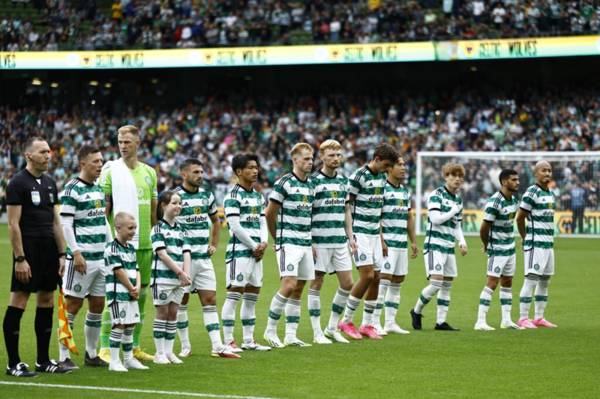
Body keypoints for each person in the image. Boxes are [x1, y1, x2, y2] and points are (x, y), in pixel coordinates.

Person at [3, 136, 70, 376]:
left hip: (49, 250)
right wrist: (20, 258)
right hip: (28, 250)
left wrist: (62, 254)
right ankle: (13, 364)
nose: (48, 155)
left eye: (49, 151)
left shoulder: (51, 183)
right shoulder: (17, 183)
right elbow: (13, 224)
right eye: (42, 151)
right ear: (29, 155)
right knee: (19, 301)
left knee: (46, 301)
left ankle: (43, 360)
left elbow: (55, 222)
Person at [99, 125, 158, 363]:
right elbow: (105, 207)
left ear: (138, 143)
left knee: (141, 297)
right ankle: (105, 346)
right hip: (121, 246)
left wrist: (157, 237)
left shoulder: (149, 172)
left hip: (145, 245)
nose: (123, 146)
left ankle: (133, 345)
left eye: (127, 142)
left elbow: (154, 210)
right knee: (115, 295)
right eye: (120, 142)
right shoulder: (111, 171)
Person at [175, 159, 240, 358]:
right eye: (196, 172)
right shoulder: (175, 197)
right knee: (181, 301)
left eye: (202, 172)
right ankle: (185, 346)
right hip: (183, 259)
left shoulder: (207, 195)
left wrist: (214, 243)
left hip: (203, 258)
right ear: (184, 174)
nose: (200, 175)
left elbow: (216, 220)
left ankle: (217, 345)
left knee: (210, 300)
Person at [338, 143, 398, 340]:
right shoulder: (358, 176)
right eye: (387, 165)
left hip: (374, 234)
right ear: (377, 159)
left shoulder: (381, 178)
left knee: (378, 277)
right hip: (359, 232)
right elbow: (346, 206)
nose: (388, 170)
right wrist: (349, 235)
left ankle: (367, 324)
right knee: (367, 275)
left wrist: (381, 238)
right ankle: (346, 320)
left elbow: (378, 211)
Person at [58, 145, 111, 369]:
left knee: (98, 304)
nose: (100, 165)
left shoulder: (98, 189)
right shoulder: (71, 190)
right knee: (73, 305)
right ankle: (63, 357)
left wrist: (111, 247)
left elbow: (103, 220)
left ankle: (91, 354)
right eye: (95, 162)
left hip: (101, 258)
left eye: (101, 161)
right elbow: (65, 224)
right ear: (82, 164)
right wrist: (76, 252)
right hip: (81, 260)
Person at [263, 143, 315, 348]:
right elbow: (270, 213)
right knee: (289, 285)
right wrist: (278, 238)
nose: (310, 162)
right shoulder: (284, 182)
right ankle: (270, 331)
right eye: (305, 159)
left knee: (299, 288)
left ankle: (291, 334)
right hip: (288, 242)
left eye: (311, 159)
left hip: (305, 242)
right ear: (295, 160)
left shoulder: (311, 185)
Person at [221, 153, 271, 352]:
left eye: (256, 167)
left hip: (256, 253)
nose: (255, 171)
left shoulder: (258, 196)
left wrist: (264, 242)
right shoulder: (233, 196)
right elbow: (234, 225)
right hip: (240, 253)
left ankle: (249, 340)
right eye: (250, 167)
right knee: (234, 296)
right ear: (238, 172)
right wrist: (254, 246)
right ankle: (228, 341)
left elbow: (262, 221)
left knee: (252, 296)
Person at [410, 163, 468, 331]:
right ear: (445, 177)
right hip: (434, 245)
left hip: (449, 246)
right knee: (436, 283)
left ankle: (441, 322)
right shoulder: (436, 195)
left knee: (447, 285)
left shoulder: (458, 200)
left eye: (460, 176)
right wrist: (453, 210)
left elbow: (456, 226)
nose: (457, 179)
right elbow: (435, 219)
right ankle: (416, 311)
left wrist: (462, 242)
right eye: (453, 175)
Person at [308, 139, 353, 345]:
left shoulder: (344, 182)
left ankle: (331, 327)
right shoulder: (313, 181)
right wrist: (310, 240)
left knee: (347, 283)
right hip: (319, 241)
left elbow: (346, 211)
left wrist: (350, 237)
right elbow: (306, 212)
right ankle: (317, 332)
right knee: (317, 282)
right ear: (322, 157)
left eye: (338, 155)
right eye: (331, 155)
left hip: (339, 240)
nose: (336, 158)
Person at [372, 157, 418, 335]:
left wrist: (413, 241)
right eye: (399, 165)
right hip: (387, 243)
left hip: (401, 244)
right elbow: (376, 216)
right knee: (383, 281)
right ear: (389, 168)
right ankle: (375, 322)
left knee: (398, 281)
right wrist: (381, 240)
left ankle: (390, 322)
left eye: (405, 165)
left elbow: (409, 217)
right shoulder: (381, 189)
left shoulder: (405, 192)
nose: (403, 168)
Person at [475, 169, 522, 331]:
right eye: (514, 180)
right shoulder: (495, 202)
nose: (517, 182)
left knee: (507, 283)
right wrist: (487, 244)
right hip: (497, 249)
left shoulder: (514, 200)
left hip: (510, 248)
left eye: (518, 179)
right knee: (492, 283)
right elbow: (483, 228)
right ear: (504, 182)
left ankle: (506, 320)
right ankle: (480, 321)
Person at [151, 191, 192, 364]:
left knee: (174, 313)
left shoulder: (182, 229)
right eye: (174, 203)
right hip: (162, 278)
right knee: (162, 313)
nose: (178, 206)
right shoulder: (158, 228)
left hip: (179, 280)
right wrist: (180, 272)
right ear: (163, 205)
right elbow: (162, 254)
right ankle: (159, 353)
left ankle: (169, 352)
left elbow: (187, 252)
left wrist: (187, 274)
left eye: (179, 203)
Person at [104, 212, 148, 372]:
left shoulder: (130, 248)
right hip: (118, 294)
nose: (133, 231)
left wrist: (136, 286)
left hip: (131, 293)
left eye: (135, 228)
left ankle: (129, 359)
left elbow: (136, 269)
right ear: (118, 228)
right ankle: (114, 361)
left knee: (130, 324)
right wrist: (131, 288)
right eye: (130, 228)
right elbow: (118, 271)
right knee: (119, 324)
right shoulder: (111, 248)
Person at [516, 161, 558, 329]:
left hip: (548, 244)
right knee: (531, 280)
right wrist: (525, 237)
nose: (547, 173)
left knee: (545, 281)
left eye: (549, 170)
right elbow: (520, 217)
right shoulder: (531, 192)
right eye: (543, 170)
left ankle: (539, 317)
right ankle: (523, 318)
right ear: (536, 173)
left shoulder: (550, 192)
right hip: (536, 243)